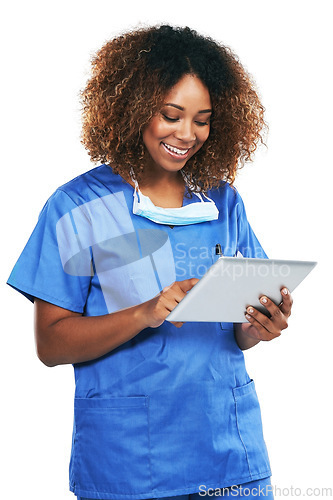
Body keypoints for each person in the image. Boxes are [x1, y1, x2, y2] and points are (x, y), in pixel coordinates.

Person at [7, 25, 292, 500]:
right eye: (170, 115)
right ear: (135, 108)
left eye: (202, 119)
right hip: (131, 464)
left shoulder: (224, 203)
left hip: (231, 454)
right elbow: (51, 344)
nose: (187, 134)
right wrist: (146, 314)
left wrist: (261, 324)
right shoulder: (77, 208)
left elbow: (239, 332)